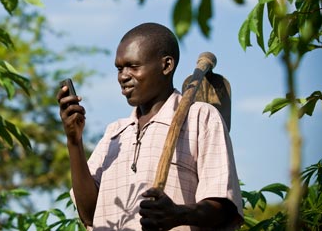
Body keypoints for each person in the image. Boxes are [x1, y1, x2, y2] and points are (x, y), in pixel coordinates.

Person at [57, 22, 243, 230]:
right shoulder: (114, 133)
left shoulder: (200, 117)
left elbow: (224, 207)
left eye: (133, 66)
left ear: (166, 65)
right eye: (119, 69)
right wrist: (74, 141)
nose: (123, 76)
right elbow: (89, 214)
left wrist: (178, 214)